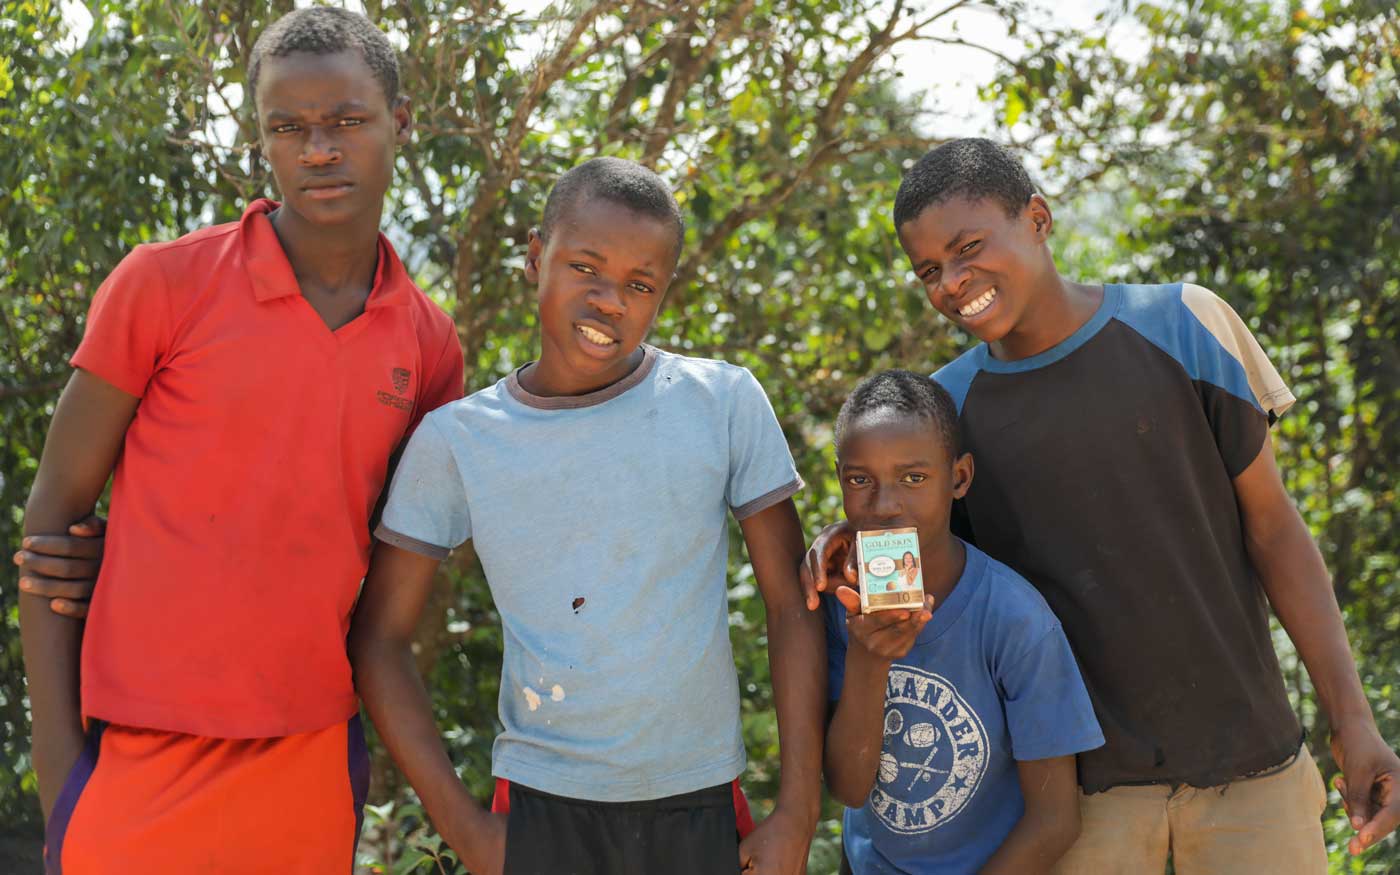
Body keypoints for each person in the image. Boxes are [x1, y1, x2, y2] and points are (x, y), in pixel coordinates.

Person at [802, 138, 1400, 873]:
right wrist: (849, 532)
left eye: (969, 248)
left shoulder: (1185, 324)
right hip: (1083, 804)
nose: (954, 283)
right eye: (930, 270)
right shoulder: (949, 410)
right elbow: (919, 549)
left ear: (1039, 218)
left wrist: (1353, 720)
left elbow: (1275, 532)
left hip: (1252, 772)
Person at [15, 8, 463, 872]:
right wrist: (61, 771)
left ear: (400, 122)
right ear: (262, 140)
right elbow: (53, 518)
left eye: (347, 121)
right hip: (133, 758)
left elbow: (391, 573)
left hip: (308, 760)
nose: (319, 149)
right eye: (288, 128)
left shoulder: (428, 344)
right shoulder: (164, 284)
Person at [347, 157, 826, 875]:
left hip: (698, 804)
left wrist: (797, 811)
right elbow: (380, 639)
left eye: (640, 284)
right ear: (537, 258)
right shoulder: (460, 440)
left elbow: (791, 606)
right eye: (586, 269)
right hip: (542, 809)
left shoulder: (721, 402)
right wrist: (470, 831)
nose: (610, 301)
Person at [823, 369, 1103, 874]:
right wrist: (869, 659)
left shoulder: (1015, 620)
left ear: (959, 478)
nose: (885, 506)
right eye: (861, 480)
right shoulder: (836, 600)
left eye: (914, 478)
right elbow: (848, 787)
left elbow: (1056, 819)